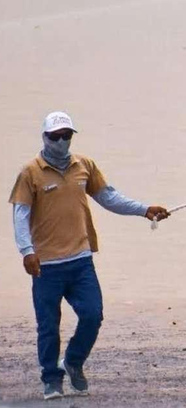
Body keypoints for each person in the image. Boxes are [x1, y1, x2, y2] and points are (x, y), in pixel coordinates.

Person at [9, 112, 170, 400]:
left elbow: (108, 197)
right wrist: (27, 251)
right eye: (55, 137)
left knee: (93, 315)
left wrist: (144, 209)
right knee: (48, 326)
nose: (61, 142)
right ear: (44, 137)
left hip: (81, 260)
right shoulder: (30, 173)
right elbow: (20, 215)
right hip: (46, 265)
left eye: (66, 136)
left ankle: (72, 361)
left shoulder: (84, 166)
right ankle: (51, 379)